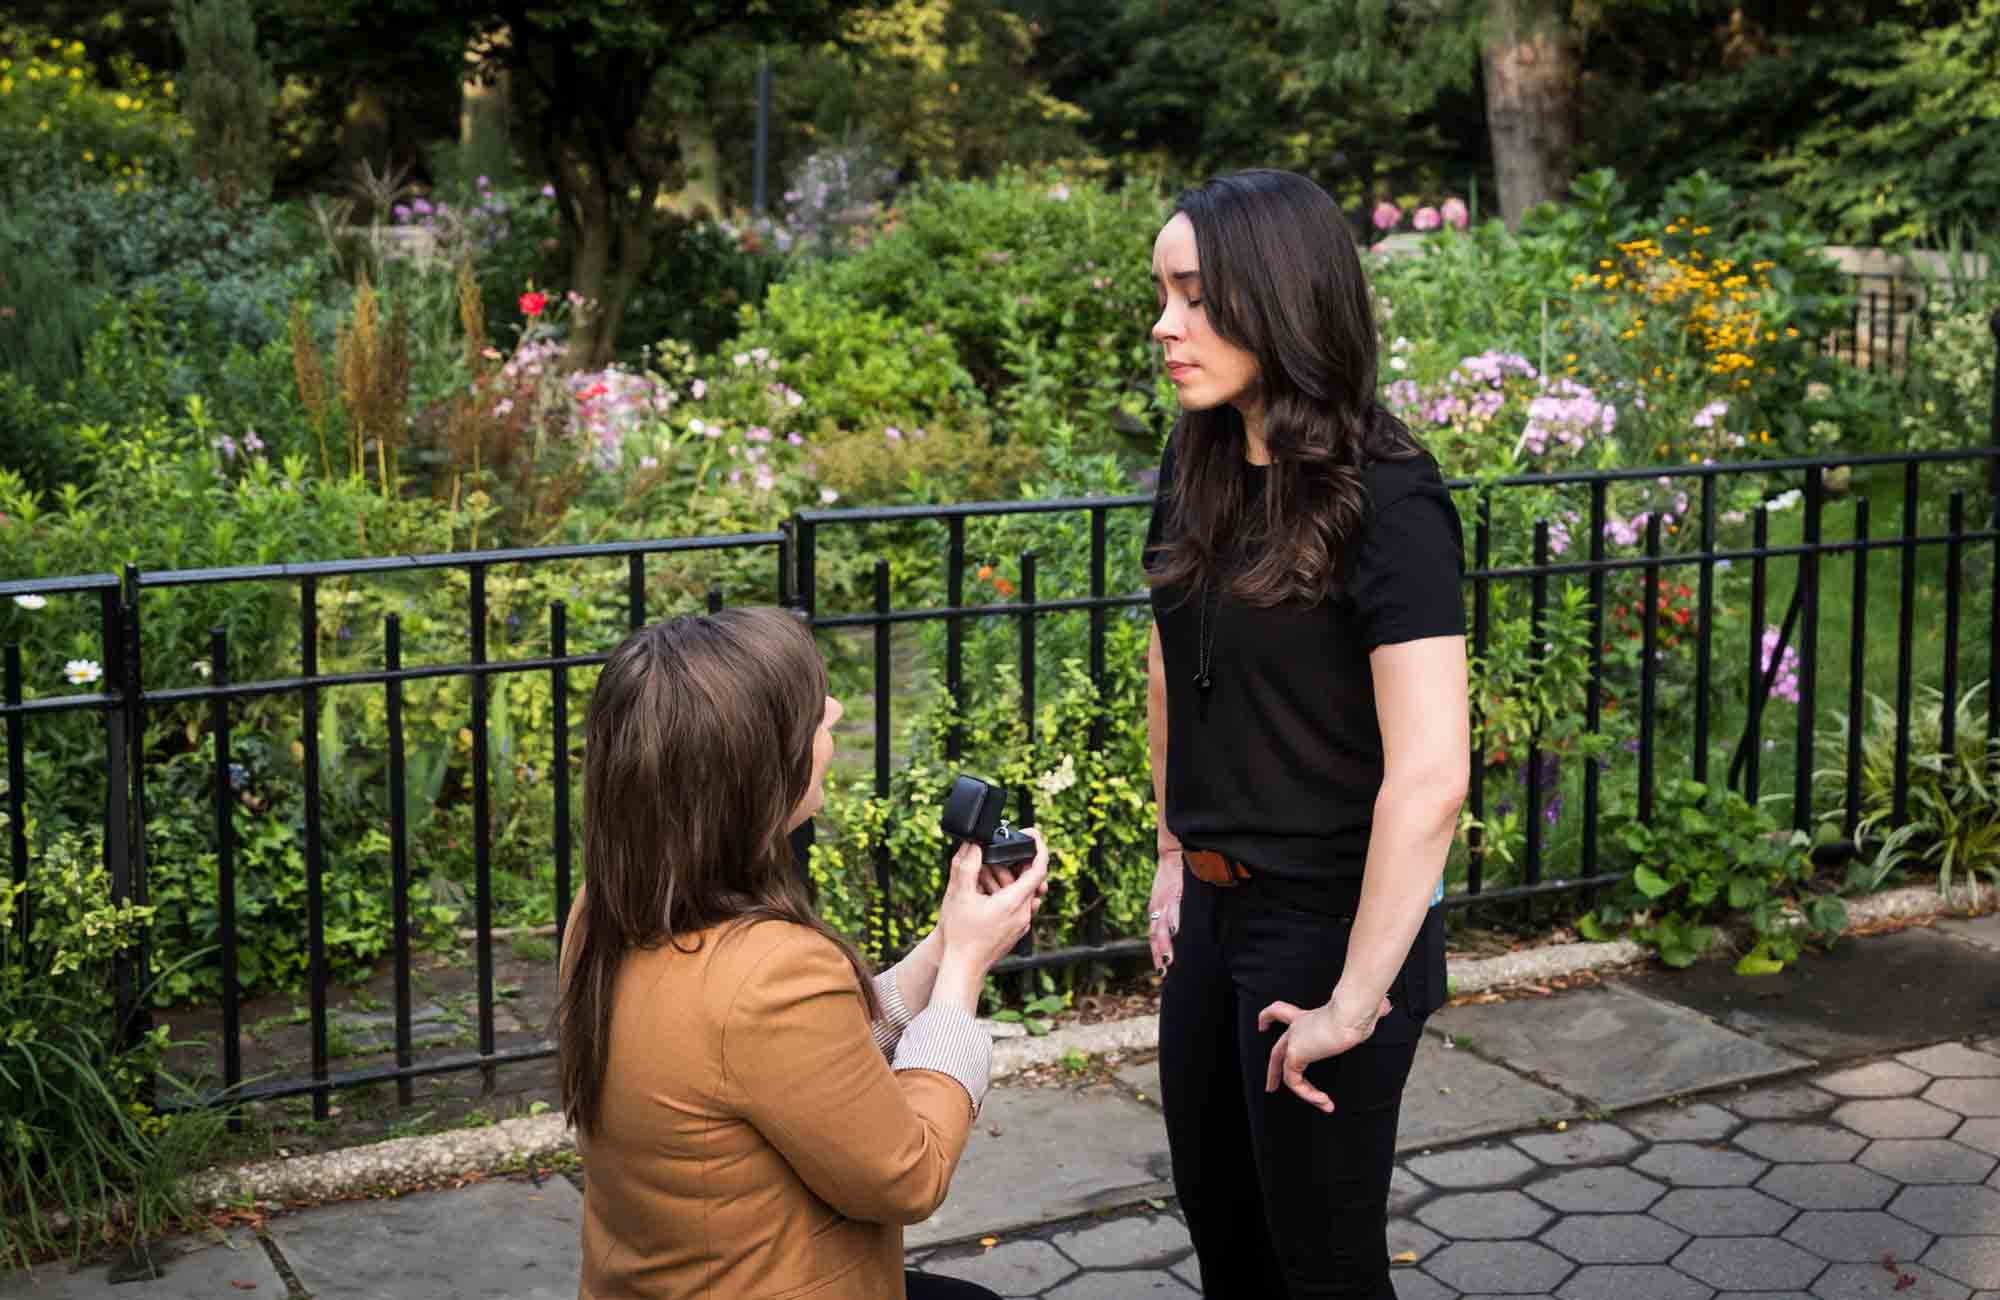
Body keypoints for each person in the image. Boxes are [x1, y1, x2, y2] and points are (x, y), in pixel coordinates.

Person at [1141, 170, 1471, 1299]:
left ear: (1274, 299)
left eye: (1192, 296)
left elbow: (1428, 777)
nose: (1163, 325)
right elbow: (1169, 664)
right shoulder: (1198, 470)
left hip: (1330, 926)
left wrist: (1354, 997)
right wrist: (1172, 853)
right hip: (1216, 916)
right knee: (1228, 1244)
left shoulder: (1389, 498)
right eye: (1161, 295)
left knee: (1319, 1268)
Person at [556, 606, 1047, 1300]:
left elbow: (792, 1061)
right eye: (811, 710)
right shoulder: (770, 972)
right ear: (756, 770)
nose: (837, 709)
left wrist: (947, 940)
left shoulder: (604, 912)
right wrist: (964, 973)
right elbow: (909, 1175)